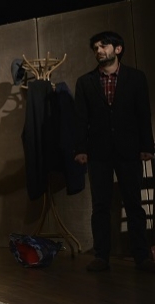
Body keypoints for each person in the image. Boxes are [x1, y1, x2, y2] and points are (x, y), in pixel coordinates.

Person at [74, 31, 155, 273]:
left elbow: (143, 113)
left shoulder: (135, 78)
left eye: (104, 46)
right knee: (100, 206)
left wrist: (147, 146)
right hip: (99, 152)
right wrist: (80, 149)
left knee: (134, 204)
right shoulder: (85, 82)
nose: (99, 50)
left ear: (118, 49)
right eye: (96, 47)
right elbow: (81, 119)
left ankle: (142, 256)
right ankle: (102, 256)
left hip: (129, 149)